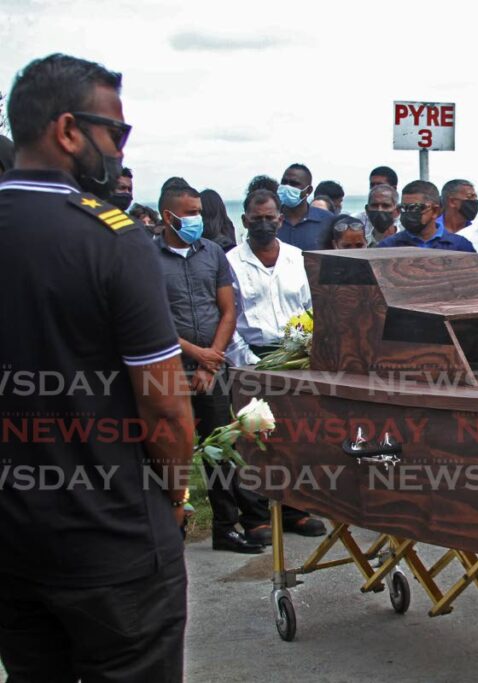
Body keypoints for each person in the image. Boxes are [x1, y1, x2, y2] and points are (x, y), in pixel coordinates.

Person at [0, 53, 193, 681]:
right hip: (111, 540)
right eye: (116, 132)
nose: (119, 149)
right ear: (67, 131)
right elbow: (164, 404)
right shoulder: (111, 240)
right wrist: (177, 491)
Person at [155, 181, 265, 554]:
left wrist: (211, 359)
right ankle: (171, 526)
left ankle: (226, 526)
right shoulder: (148, 258)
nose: (197, 219)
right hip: (169, 369)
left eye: (199, 211)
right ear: (167, 216)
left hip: (213, 368)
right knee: (168, 451)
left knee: (221, 450)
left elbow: (228, 310)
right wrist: (196, 355)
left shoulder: (213, 253)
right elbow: (153, 318)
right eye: (189, 213)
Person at [226, 188, 327, 541]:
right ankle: (256, 516)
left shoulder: (298, 258)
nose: (265, 224)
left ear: (281, 220)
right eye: (257, 218)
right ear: (245, 220)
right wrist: (249, 362)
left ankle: (295, 509)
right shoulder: (230, 262)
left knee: (296, 436)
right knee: (254, 438)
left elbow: (313, 306)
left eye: (271, 218)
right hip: (248, 356)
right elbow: (228, 317)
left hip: (296, 355)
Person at [376, 180, 476, 252]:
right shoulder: (388, 247)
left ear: (435, 210)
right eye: (403, 208)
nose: (408, 213)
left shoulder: (459, 246)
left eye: (415, 208)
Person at [275, 163, 334, 251]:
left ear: (308, 191)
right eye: (284, 182)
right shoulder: (270, 219)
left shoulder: (328, 220)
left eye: (294, 183)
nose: (287, 187)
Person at [438, 178, 478, 245]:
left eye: (475, 197)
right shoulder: (432, 230)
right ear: (452, 202)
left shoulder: (476, 232)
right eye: (470, 196)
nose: (475, 201)